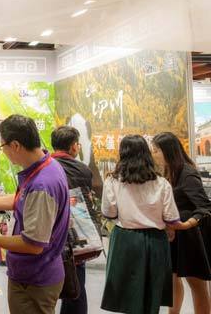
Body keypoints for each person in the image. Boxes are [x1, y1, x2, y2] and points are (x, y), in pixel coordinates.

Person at [0, 114, 70, 314]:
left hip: (34, 279)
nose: (3, 152)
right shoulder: (44, 166)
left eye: (2, 146)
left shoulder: (42, 185)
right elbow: (21, 199)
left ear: (15, 145)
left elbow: (32, 245)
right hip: (33, 274)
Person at [100, 135, 199, 314]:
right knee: (152, 297)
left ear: (122, 154)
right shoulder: (161, 183)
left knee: (128, 297)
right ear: (146, 154)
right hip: (156, 241)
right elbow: (171, 217)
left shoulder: (112, 181)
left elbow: (110, 213)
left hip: (125, 241)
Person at [151, 132, 211, 314]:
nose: (153, 154)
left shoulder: (187, 173)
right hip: (174, 235)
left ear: (168, 151)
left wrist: (185, 225)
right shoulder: (168, 172)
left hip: (190, 236)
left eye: (156, 150)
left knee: (196, 284)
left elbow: (204, 207)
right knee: (173, 279)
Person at [51, 126, 94, 314]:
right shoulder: (84, 170)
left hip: (48, 236)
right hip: (75, 238)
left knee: (44, 292)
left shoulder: (45, 166)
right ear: (74, 146)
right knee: (76, 288)